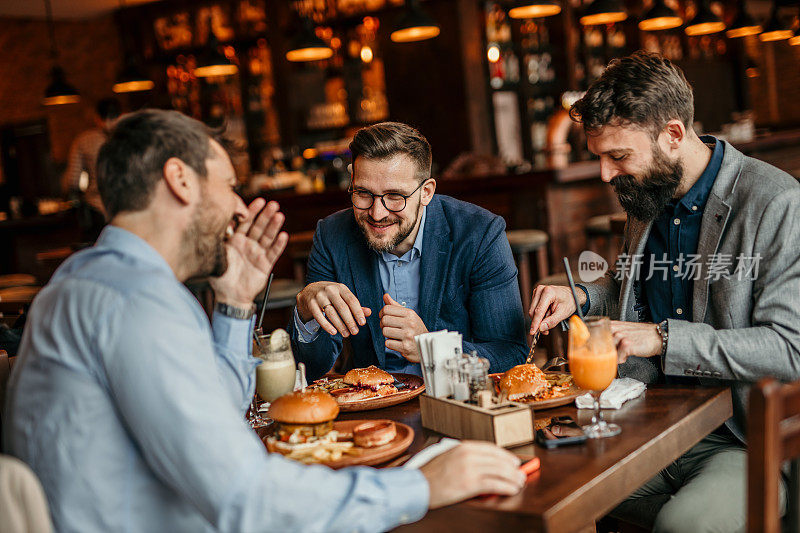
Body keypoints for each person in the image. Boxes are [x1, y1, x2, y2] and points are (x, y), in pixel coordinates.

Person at [2, 109, 525, 532]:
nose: (237, 206)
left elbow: (223, 408)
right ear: (180, 181)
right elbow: (246, 500)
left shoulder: (83, 281)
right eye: (228, 185)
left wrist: (232, 307)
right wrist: (425, 486)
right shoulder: (136, 303)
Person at [528, 51, 799, 532]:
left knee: (680, 526)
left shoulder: (775, 202)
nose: (606, 174)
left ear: (673, 135)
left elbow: (789, 348)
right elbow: (629, 289)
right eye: (600, 158)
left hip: (740, 437)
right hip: (647, 422)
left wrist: (665, 338)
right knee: (545, 499)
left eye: (618, 156)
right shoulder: (648, 190)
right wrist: (584, 299)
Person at [289, 122, 527, 379]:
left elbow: (510, 354)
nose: (377, 213)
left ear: (426, 192)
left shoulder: (479, 233)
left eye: (394, 196)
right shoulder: (331, 235)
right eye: (363, 193)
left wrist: (432, 349)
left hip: (458, 403)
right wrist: (305, 312)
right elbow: (311, 369)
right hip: (370, 409)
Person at [62, 97, 122, 219]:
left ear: (97, 117)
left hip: (97, 209)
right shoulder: (132, 136)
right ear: (120, 115)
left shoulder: (83, 140)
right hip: (130, 206)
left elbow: (73, 181)